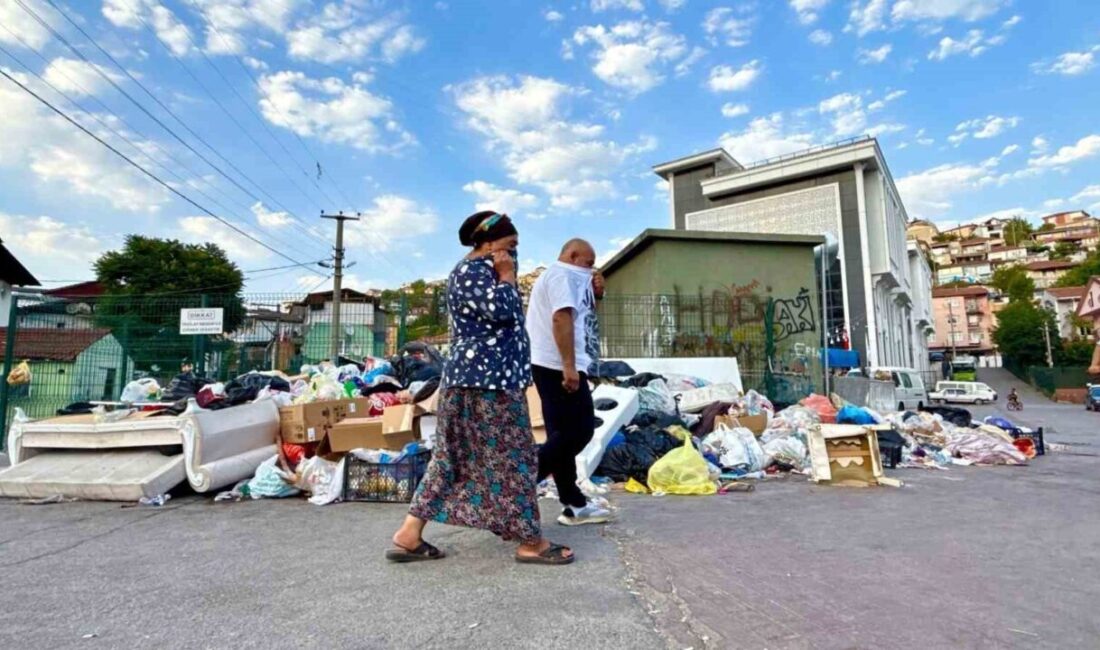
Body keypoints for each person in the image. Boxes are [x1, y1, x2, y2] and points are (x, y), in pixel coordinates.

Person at [386, 211, 574, 566]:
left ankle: (409, 535)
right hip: (488, 384)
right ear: (488, 243)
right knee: (515, 457)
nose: (513, 253)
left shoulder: (477, 271)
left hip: (476, 382)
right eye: (510, 245)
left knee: (452, 458)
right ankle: (530, 542)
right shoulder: (472, 272)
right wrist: (507, 277)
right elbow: (502, 312)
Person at [526, 238, 613, 527]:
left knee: (561, 435)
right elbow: (561, 318)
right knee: (581, 431)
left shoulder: (568, 278)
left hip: (553, 363)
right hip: (557, 364)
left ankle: (574, 504)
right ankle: (519, 485)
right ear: (573, 256)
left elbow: (582, 318)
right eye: (588, 264)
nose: (591, 270)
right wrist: (569, 366)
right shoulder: (562, 275)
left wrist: (595, 294)